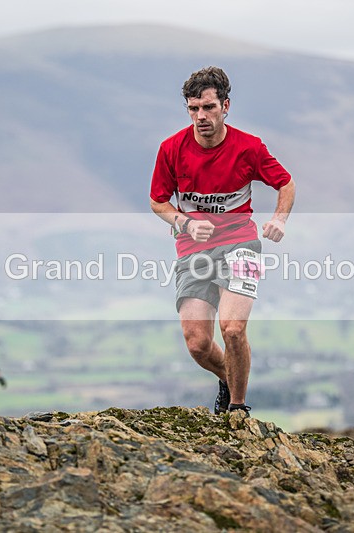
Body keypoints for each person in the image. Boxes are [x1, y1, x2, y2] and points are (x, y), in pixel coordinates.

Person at [149, 66, 296, 415]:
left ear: (225, 106)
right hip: (193, 250)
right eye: (193, 109)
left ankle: (238, 408)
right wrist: (184, 223)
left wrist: (279, 219)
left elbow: (285, 184)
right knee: (198, 344)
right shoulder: (171, 149)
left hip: (241, 243)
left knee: (232, 329)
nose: (201, 116)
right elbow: (158, 201)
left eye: (209, 107)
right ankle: (228, 378)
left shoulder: (249, 147)